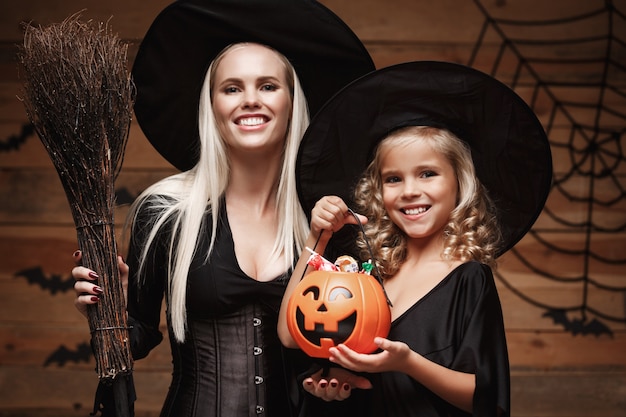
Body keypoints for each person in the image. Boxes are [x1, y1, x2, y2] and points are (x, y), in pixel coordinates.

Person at [72, 0, 375, 416]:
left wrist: (332, 379)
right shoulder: (165, 212)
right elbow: (136, 341)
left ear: (293, 101)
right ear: (211, 106)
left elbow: (344, 344)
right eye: (232, 88)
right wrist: (109, 306)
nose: (250, 100)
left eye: (268, 86)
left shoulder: (327, 219)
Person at [278, 61, 553, 416]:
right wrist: (319, 237)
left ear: (459, 183)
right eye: (393, 179)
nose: (410, 191)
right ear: (378, 191)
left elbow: (483, 395)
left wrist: (407, 362)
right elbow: (289, 335)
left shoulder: (468, 279)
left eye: (427, 174)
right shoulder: (369, 272)